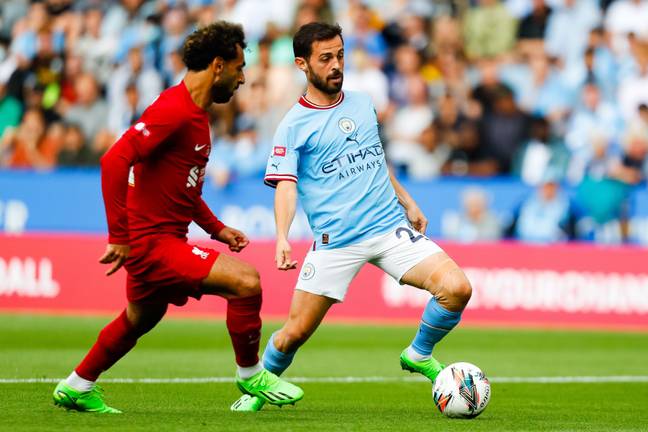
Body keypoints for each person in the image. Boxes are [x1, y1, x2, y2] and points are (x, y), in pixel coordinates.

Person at [52, 21, 303, 414]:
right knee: (246, 281)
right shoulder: (174, 110)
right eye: (238, 67)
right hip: (150, 243)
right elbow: (114, 159)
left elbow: (185, 190)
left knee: (140, 317)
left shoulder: (197, 117)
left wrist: (216, 229)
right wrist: (119, 235)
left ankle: (77, 385)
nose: (242, 78)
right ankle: (251, 373)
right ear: (218, 66)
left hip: (164, 238)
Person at [230, 22, 472, 412]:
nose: (336, 65)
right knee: (293, 334)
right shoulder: (292, 125)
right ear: (302, 64)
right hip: (335, 243)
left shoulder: (362, 103)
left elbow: (374, 158)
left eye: (340, 55)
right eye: (325, 58)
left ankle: (419, 353)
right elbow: (286, 186)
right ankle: (254, 392)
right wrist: (281, 238)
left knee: (457, 288)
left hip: (388, 228)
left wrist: (407, 201)